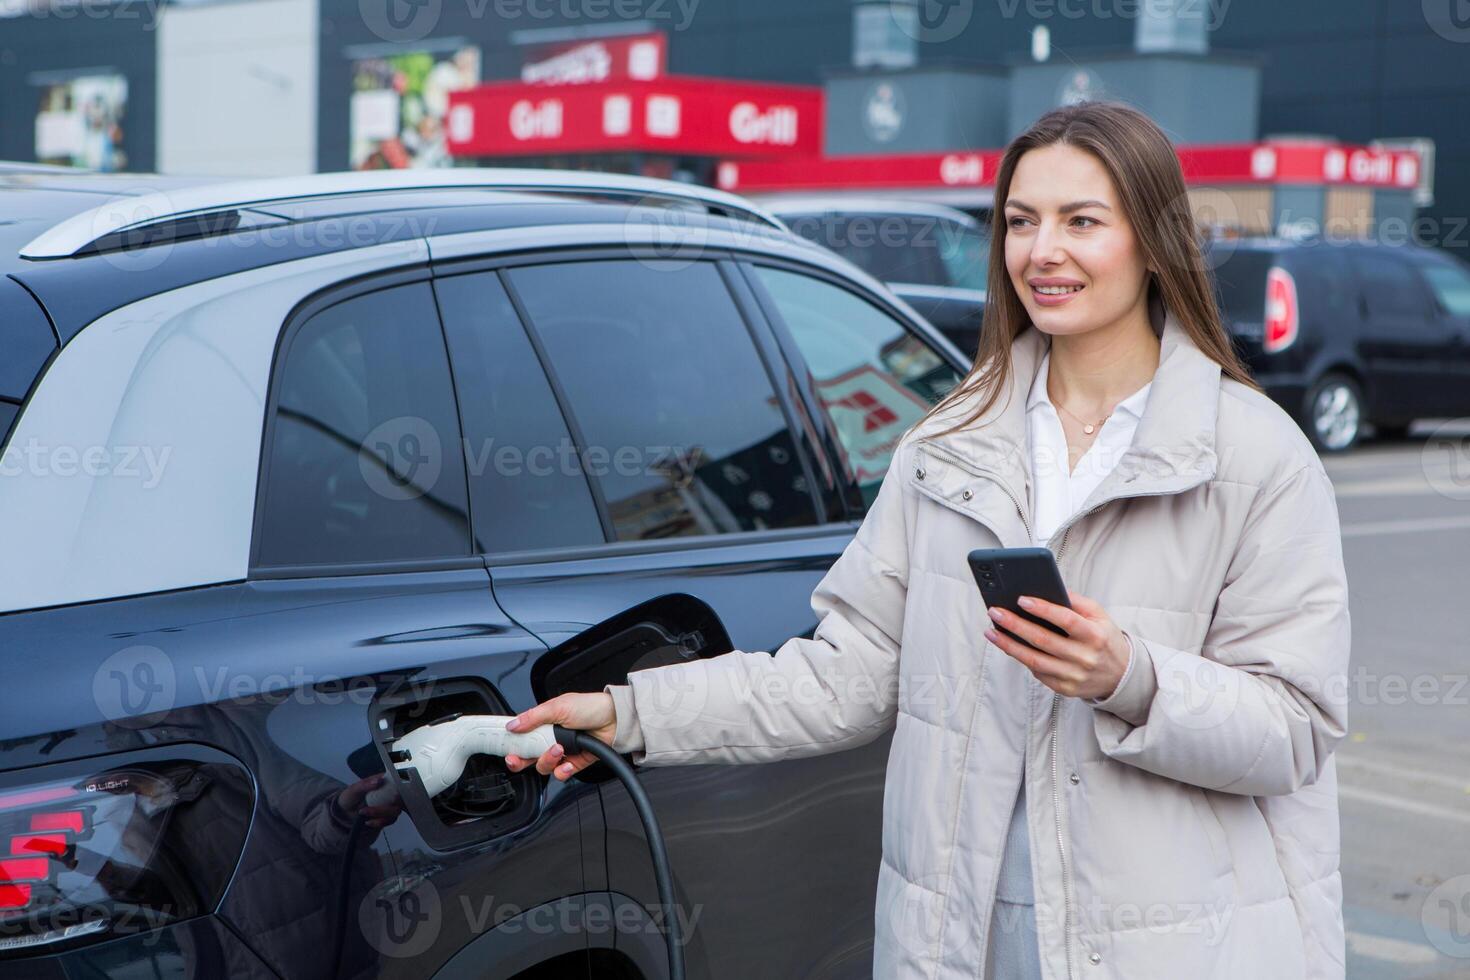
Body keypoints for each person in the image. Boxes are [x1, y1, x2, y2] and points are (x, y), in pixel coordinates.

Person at [502, 101, 1351, 980]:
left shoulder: (1255, 456)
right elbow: (845, 675)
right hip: (968, 943)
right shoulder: (948, 446)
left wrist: (1129, 678)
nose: (1041, 251)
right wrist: (633, 712)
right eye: (1020, 222)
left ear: (1153, 241)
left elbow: (1296, 727)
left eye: (1081, 222)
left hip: (1179, 948)